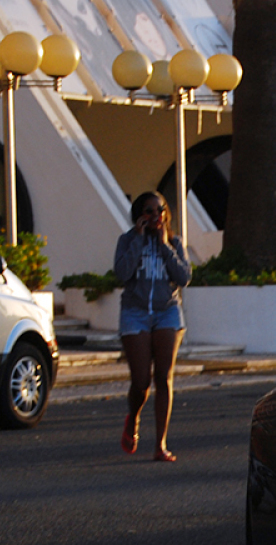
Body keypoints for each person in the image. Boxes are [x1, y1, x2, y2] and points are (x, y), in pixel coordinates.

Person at [113, 191, 192, 462]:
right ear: (139, 216)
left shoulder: (174, 242)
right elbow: (122, 273)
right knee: (141, 381)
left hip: (167, 312)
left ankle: (160, 444)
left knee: (163, 377)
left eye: (159, 211)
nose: (155, 216)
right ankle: (133, 418)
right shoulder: (127, 240)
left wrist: (164, 246)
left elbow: (183, 277)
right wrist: (138, 240)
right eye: (148, 211)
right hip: (135, 313)